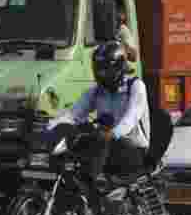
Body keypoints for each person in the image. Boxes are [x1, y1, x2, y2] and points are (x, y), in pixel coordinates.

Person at [47, 41, 151, 205]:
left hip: (133, 148)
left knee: (99, 145)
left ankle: (100, 196)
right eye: (98, 68)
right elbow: (73, 114)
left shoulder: (136, 87)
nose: (101, 73)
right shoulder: (95, 91)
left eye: (105, 68)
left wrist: (113, 133)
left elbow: (130, 119)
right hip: (103, 144)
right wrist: (52, 126)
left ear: (118, 67)